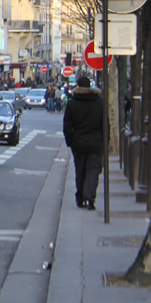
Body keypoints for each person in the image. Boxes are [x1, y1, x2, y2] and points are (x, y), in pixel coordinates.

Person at [63, 75, 105, 210]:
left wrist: (70, 141)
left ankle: (80, 197)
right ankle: (90, 197)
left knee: (80, 171)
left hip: (79, 142)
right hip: (96, 142)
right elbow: (105, 124)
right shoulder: (99, 102)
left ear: (78, 86)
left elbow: (67, 125)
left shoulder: (72, 103)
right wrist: (105, 141)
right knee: (93, 171)